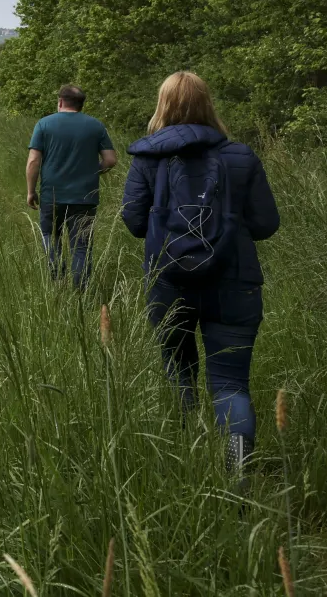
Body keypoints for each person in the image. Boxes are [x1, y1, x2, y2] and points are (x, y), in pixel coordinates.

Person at [120, 71, 279, 475]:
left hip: (168, 283)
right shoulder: (241, 156)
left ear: (162, 105)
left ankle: (188, 457)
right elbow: (265, 224)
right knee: (230, 384)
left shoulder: (148, 158)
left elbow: (135, 222)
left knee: (178, 370)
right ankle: (238, 468)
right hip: (234, 284)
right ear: (208, 103)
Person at [26, 84, 117, 286]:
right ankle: (79, 295)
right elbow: (110, 160)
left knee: (51, 238)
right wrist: (93, 171)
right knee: (82, 247)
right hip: (85, 197)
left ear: (60, 101)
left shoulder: (44, 124)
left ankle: (58, 285)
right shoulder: (95, 126)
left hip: (52, 196)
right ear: (81, 105)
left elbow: (33, 161)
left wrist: (31, 191)